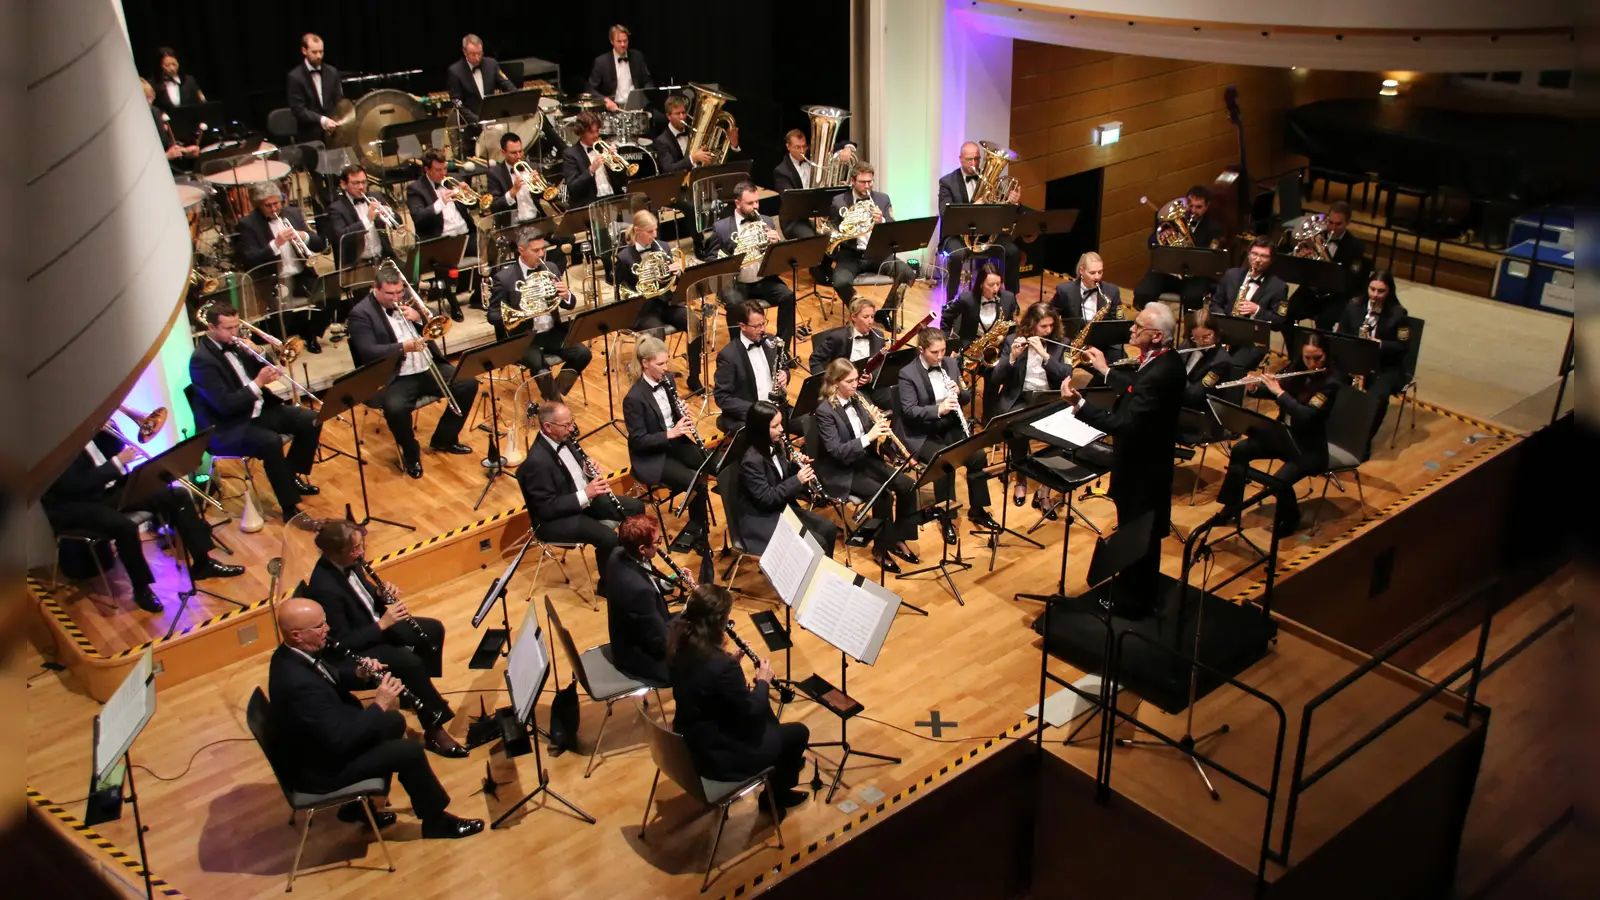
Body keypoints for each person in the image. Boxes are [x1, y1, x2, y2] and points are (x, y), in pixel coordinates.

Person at [268, 598, 483, 839]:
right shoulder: (297, 685)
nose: (327, 629)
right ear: (297, 635)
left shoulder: (291, 654)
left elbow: (333, 677)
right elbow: (339, 741)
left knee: (394, 722)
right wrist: (379, 703)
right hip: (323, 770)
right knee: (408, 752)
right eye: (319, 627)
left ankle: (360, 806)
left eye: (325, 623)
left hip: (324, 743)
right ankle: (436, 822)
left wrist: (359, 674)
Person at [1059, 303, 1186, 612]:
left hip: (1142, 471)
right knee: (1137, 532)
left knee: (1138, 534)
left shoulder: (1162, 372)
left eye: (1138, 327)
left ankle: (1134, 602)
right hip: (1144, 465)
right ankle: (1136, 589)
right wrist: (1105, 370)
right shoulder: (1163, 362)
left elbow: (1125, 423)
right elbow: (1134, 389)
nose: (1131, 330)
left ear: (1156, 336)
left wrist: (1080, 407)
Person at [304, 520, 466, 757]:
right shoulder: (324, 587)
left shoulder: (352, 562)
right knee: (410, 664)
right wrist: (382, 624)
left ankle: (418, 695)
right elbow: (341, 643)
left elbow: (365, 597)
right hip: (356, 648)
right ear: (335, 553)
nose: (360, 553)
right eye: (354, 549)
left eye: (361, 546)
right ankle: (434, 729)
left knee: (433, 630)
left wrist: (380, 594)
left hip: (375, 625)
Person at [43, 429, 243, 613]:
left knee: (178, 495)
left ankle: (202, 563)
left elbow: (115, 450)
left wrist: (109, 431)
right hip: (77, 504)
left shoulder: (91, 431)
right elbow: (77, 486)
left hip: (107, 490)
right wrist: (117, 463)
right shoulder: (54, 445)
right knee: (125, 527)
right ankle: (141, 589)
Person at [668, 585, 810, 818]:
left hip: (690, 741)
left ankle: (780, 761)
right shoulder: (722, 667)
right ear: (718, 621)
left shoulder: (680, 645)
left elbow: (705, 684)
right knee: (797, 732)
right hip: (720, 759)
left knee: (768, 721)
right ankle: (774, 797)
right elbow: (752, 712)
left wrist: (730, 662)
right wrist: (762, 681)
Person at [188, 302, 322, 522]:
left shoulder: (237, 345)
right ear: (211, 328)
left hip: (257, 411)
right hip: (228, 425)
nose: (234, 333)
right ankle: (289, 508)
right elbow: (224, 404)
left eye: (236, 327)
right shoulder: (202, 361)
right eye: (228, 329)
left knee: (312, 419)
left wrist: (259, 351)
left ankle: (290, 476)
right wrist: (258, 383)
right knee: (270, 442)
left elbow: (267, 367)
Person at [346, 267, 479, 479]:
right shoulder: (361, 314)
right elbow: (367, 350)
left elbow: (435, 321)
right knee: (395, 409)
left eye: (399, 292)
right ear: (375, 289)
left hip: (426, 366)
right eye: (390, 294)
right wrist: (402, 348)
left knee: (468, 383)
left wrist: (418, 317)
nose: (396, 298)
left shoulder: (408, 299)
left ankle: (444, 439)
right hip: (396, 375)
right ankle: (410, 452)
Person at [1216, 333, 1340, 536]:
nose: (1312, 363)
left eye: (1317, 358)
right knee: (1240, 450)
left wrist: (1279, 392)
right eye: (1307, 357)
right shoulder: (1296, 368)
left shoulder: (1330, 384)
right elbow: (1277, 390)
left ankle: (1291, 519)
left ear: (1326, 354)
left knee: (1279, 481)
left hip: (1307, 447)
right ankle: (1231, 507)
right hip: (1283, 436)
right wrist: (1255, 387)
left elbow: (1305, 415)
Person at [813, 359, 920, 572]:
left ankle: (898, 538)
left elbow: (869, 428)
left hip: (865, 459)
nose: (856, 384)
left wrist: (879, 425)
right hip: (841, 468)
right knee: (883, 495)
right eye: (850, 381)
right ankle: (881, 549)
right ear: (835, 383)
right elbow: (836, 451)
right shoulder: (825, 411)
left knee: (907, 485)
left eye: (856, 379)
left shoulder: (859, 397)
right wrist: (869, 437)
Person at [517, 401, 645, 574]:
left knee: (636, 507)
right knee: (607, 537)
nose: (571, 429)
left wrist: (586, 470)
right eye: (566, 425)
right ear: (547, 427)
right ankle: (610, 585)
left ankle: (633, 562)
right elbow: (547, 509)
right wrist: (586, 493)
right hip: (556, 519)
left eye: (572, 422)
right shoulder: (536, 462)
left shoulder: (564, 437)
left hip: (584, 502)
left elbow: (573, 472)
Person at [897, 328, 999, 541]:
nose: (940, 356)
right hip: (923, 433)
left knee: (978, 456)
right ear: (921, 350)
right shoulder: (908, 374)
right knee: (946, 463)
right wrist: (938, 409)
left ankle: (977, 509)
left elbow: (966, 398)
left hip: (950, 426)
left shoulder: (951, 364)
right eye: (935, 352)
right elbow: (909, 411)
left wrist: (959, 392)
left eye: (943, 350)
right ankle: (946, 516)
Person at [624, 337, 712, 549]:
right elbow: (638, 440)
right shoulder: (634, 398)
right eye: (660, 364)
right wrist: (670, 433)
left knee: (710, 463)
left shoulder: (668, 381)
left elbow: (670, 415)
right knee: (695, 482)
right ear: (645, 363)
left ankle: (698, 526)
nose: (666, 368)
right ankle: (698, 532)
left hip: (675, 444)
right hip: (652, 456)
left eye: (667, 362)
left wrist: (681, 412)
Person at [489, 227, 588, 400]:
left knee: (583, 353)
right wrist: (521, 312)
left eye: (542, 249)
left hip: (551, 332)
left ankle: (554, 394)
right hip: (524, 338)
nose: (541, 254)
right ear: (521, 250)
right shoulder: (504, 279)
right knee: (541, 368)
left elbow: (570, 305)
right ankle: (556, 407)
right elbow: (493, 315)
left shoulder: (551, 268)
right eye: (536, 250)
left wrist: (566, 295)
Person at [988, 303, 1071, 506]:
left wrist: (1045, 355)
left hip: (1048, 399)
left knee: (1063, 436)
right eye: (1043, 326)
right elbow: (995, 379)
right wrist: (1012, 358)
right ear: (1032, 325)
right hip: (1020, 398)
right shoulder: (1011, 341)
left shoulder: (1062, 343)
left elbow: (1066, 374)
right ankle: (1021, 478)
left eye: (1051, 325)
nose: (1048, 330)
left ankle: (1045, 487)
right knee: (1016, 429)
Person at [233, 184, 332, 352]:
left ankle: (310, 334)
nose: (274, 208)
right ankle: (284, 341)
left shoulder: (292, 213)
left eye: (277, 203)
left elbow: (320, 244)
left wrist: (304, 236)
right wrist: (275, 244)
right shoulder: (248, 224)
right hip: (272, 279)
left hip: (301, 273)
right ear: (259, 205)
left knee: (329, 296)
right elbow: (249, 259)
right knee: (282, 312)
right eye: (268, 205)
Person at [738, 400, 838, 557]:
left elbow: (781, 476)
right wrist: (797, 480)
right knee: (817, 543)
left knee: (829, 529)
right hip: (760, 517)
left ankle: (822, 576)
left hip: (779, 507)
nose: (782, 429)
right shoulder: (751, 460)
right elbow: (766, 498)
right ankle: (808, 579)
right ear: (760, 429)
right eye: (775, 426)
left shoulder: (776, 444)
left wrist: (795, 466)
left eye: (780, 424)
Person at [617, 210, 703, 392]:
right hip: (643, 308)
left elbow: (676, 283)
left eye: (655, 230)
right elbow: (620, 291)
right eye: (650, 231)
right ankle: (659, 382)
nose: (654, 235)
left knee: (695, 322)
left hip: (666, 302)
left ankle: (694, 376)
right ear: (638, 231)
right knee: (656, 333)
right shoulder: (624, 257)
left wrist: (678, 273)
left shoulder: (662, 247)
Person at [708, 182, 796, 343]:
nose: (755, 207)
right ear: (737, 203)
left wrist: (777, 244)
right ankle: (740, 350)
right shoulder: (721, 228)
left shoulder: (767, 221)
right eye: (750, 203)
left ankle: (781, 349)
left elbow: (781, 258)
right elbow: (711, 260)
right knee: (735, 307)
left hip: (763, 279)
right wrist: (731, 259)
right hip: (737, 283)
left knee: (788, 296)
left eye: (757, 202)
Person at [827, 163, 914, 322]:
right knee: (839, 282)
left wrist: (881, 220)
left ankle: (885, 312)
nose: (867, 186)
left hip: (877, 253)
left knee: (908, 273)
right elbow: (831, 230)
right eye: (862, 182)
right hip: (851, 254)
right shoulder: (839, 201)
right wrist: (846, 226)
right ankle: (860, 311)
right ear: (852, 181)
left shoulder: (882, 199)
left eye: (870, 181)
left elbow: (892, 228)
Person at [937, 141, 1023, 301]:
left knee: (1012, 251)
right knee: (956, 255)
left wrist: (1012, 202)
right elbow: (945, 213)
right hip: (957, 236)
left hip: (986, 235)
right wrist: (973, 207)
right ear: (960, 159)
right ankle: (951, 300)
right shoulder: (947, 182)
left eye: (977, 158)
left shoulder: (991, 181)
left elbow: (1003, 212)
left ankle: (1012, 298)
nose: (974, 163)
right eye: (969, 159)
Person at [1335, 269, 1411, 442]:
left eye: (1381, 291)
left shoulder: (1399, 314)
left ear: (1389, 291)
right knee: (1331, 384)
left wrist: (1380, 344)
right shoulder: (1353, 307)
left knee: (1377, 398)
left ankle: (1363, 441)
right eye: (1372, 290)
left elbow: (1404, 346)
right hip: (1355, 362)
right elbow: (1340, 336)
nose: (1375, 295)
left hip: (1385, 367)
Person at [603, 515, 677, 685]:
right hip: (642, 658)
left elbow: (646, 585)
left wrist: (667, 583)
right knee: (704, 664)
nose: (660, 545)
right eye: (657, 542)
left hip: (640, 632)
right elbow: (661, 643)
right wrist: (689, 609)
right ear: (643, 549)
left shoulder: (618, 554)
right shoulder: (639, 591)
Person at [404, 149, 476, 320]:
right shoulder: (416, 188)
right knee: (447, 265)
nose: (443, 173)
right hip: (442, 239)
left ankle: (480, 296)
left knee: (493, 248)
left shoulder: (454, 180)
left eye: (444, 168)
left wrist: (466, 194)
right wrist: (440, 202)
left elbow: (474, 205)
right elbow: (418, 217)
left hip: (466, 234)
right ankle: (453, 304)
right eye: (438, 170)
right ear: (427, 169)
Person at [1131, 184, 1224, 311]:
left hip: (1193, 277)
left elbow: (1210, 256)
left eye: (1199, 207)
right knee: (1143, 293)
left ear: (1207, 206)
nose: (1193, 210)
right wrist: (1162, 236)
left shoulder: (1214, 228)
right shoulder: (1174, 219)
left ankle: (1190, 329)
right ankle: (1145, 325)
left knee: (1192, 297)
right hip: (1166, 272)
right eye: (1190, 205)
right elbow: (1151, 242)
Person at [1209, 238, 1288, 372]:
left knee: (1233, 367)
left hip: (1253, 340)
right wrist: (1223, 322)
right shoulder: (1231, 275)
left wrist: (1257, 310)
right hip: (1223, 333)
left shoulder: (1279, 287)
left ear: (1271, 260)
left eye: (1264, 256)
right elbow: (1215, 303)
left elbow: (1279, 322)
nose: (1257, 259)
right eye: (1254, 254)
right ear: (1248, 254)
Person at [714, 301, 792, 436]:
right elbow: (722, 397)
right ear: (742, 326)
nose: (762, 329)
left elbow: (783, 367)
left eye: (763, 323)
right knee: (762, 436)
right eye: (756, 326)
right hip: (750, 414)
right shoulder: (728, 356)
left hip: (777, 408)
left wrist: (785, 374)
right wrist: (756, 411)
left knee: (809, 420)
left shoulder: (771, 341)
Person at [1285, 202, 1366, 330]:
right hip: (1311, 290)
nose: (1332, 227)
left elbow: (1350, 280)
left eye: (1338, 224)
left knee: (1324, 322)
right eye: (1330, 222)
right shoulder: (1317, 235)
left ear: (1348, 223)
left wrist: (1325, 255)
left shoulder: (1356, 246)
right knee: (1285, 314)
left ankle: (1320, 349)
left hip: (1336, 296)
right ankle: (1296, 348)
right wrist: (1303, 257)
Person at [772, 128, 855, 242]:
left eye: (804, 146)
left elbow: (843, 144)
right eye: (797, 147)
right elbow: (791, 201)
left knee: (843, 232)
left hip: (821, 213)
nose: (802, 151)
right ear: (788, 147)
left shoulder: (813, 155)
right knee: (813, 239)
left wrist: (847, 149)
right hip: (795, 220)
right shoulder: (782, 171)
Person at [323, 165, 398, 269]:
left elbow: (398, 223)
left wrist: (389, 212)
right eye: (355, 183)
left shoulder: (376, 196)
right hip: (357, 264)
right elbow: (342, 237)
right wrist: (368, 220)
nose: (361, 187)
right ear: (343, 184)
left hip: (384, 258)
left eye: (364, 182)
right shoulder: (336, 208)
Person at [942, 263, 1018, 355]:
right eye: (991, 285)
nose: (995, 289)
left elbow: (1012, 327)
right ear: (981, 284)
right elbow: (946, 318)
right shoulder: (967, 299)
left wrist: (1003, 338)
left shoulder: (1008, 298)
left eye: (998, 284)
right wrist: (945, 343)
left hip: (997, 347)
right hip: (970, 348)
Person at [561, 111, 630, 208]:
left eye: (597, 131)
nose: (595, 135)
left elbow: (623, 180)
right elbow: (573, 187)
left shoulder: (604, 148)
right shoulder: (571, 154)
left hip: (613, 199)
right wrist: (591, 170)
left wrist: (615, 160)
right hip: (590, 204)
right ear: (581, 132)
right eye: (591, 132)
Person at [285, 33, 343, 144]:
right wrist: (322, 120)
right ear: (304, 51)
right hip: (310, 137)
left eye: (321, 52)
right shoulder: (295, 77)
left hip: (334, 134)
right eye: (314, 52)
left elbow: (338, 100)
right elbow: (299, 110)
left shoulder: (332, 72)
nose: (319, 56)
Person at [445, 34, 515, 124]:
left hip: (493, 119)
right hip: (470, 124)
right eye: (473, 54)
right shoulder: (455, 71)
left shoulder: (491, 64)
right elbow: (457, 102)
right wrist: (477, 120)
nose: (477, 58)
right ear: (464, 52)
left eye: (480, 53)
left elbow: (508, 85)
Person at [485, 132, 550, 229]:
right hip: (514, 225)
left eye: (521, 151)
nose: (519, 156)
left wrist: (539, 186)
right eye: (514, 153)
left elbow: (548, 196)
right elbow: (494, 206)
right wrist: (513, 191)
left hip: (537, 219)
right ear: (503, 153)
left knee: (567, 237)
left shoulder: (532, 167)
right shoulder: (495, 174)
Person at [588, 24, 654, 113]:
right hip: (613, 109)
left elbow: (648, 81)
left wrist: (644, 97)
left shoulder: (637, 56)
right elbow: (591, 89)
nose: (623, 45)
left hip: (636, 108)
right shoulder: (601, 62)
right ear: (611, 41)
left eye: (625, 41)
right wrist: (605, 100)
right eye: (619, 41)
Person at [809, 297, 884, 373]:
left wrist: (871, 377)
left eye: (872, 316)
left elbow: (881, 364)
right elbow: (816, 359)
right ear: (853, 317)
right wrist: (826, 382)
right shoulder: (838, 337)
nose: (870, 321)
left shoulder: (878, 336)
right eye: (865, 317)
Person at [1180, 308, 1235, 412]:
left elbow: (1195, 395)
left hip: (1196, 411)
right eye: (1195, 337)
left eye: (1206, 337)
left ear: (1215, 332)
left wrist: (1174, 379)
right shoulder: (1188, 343)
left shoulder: (1221, 362)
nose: (1200, 342)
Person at [653, 95, 717, 173]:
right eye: (677, 114)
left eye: (683, 112)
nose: (682, 116)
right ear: (668, 116)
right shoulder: (662, 141)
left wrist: (705, 160)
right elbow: (669, 168)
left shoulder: (693, 132)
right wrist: (693, 158)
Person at [142, 78, 197, 165]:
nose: (150, 102)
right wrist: (166, 156)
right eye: (145, 98)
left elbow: (166, 143)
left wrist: (184, 150)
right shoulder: (131, 124)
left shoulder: (155, 111)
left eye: (151, 96)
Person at [151, 47, 205, 114]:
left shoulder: (189, 80)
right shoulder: (154, 83)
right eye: (167, 65)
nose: (172, 68)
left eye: (174, 64)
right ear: (159, 66)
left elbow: (198, 102)